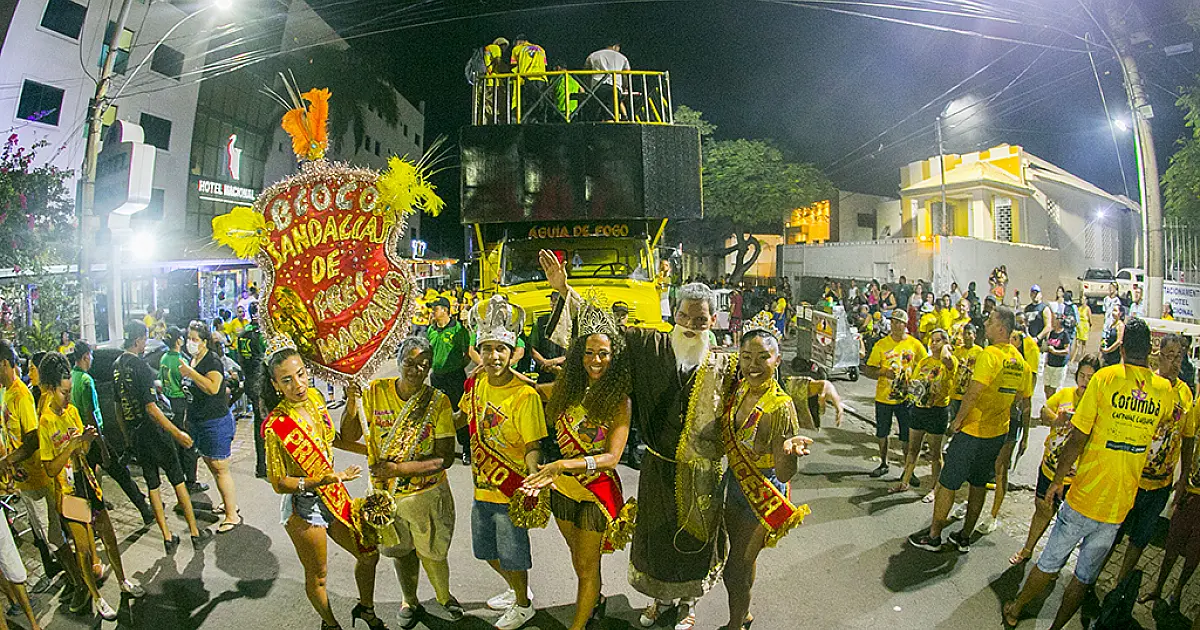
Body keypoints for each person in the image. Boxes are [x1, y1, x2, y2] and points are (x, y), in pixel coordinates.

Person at [540, 250, 729, 630]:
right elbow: (603, 331)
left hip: (703, 471)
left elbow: (762, 386)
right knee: (657, 535)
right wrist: (566, 291)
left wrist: (818, 387)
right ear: (673, 315)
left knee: (696, 535)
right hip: (658, 465)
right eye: (685, 316)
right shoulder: (648, 345)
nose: (692, 325)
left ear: (713, 320)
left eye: (701, 319)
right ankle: (660, 601)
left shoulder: (725, 362)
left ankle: (688, 602)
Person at [1003, 318, 1175, 630]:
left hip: (1084, 496)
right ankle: (1057, 627)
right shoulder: (1163, 391)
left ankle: (1015, 608)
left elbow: (1078, 438)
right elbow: (1161, 427)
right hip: (1118, 506)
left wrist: (1057, 480)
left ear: (1122, 349)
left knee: (1050, 562)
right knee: (1084, 576)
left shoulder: (1106, 379)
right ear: (1149, 351)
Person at [522, 304, 634, 630]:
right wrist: (493, 368)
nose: (595, 360)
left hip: (596, 491)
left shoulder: (619, 400)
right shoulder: (565, 390)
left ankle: (579, 625)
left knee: (587, 565)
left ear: (615, 356)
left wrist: (563, 463)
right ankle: (594, 600)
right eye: (588, 353)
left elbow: (612, 458)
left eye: (603, 353)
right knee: (579, 561)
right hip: (563, 489)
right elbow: (527, 391)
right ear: (578, 355)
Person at [341, 337, 462, 628]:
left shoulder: (438, 400)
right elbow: (347, 435)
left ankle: (444, 596)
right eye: (410, 362)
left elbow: (443, 458)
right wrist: (351, 399)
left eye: (424, 365)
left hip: (427, 493)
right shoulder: (374, 392)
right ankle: (410, 600)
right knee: (400, 551)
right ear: (398, 362)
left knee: (433, 553)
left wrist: (397, 468)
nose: (416, 370)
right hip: (387, 497)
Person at [262, 348, 387, 630]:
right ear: (275, 385)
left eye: (301, 375)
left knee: (369, 553)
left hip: (334, 492)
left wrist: (372, 449)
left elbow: (338, 439)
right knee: (318, 575)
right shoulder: (276, 427)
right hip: (304, 505)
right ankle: (330, 624)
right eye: (287, 380)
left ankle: (365, 608)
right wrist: (321, 481)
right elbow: (279, 483)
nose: (298, 385)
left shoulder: (317, 399)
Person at [711, 311, 814, 630]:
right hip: (734, 483)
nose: (753, 364)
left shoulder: (780, 407)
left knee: (735, 568)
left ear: (777, 359)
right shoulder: (739, 389)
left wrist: (790, 453)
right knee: (742, 558)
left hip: (762, 492)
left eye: (763, 357)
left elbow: (784, 474)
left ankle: (735, 624)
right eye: (746, 357)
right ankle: (744, 614)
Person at [908, 306, 1032, 553]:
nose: (985, 324)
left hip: (973, 431)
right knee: (978, 485)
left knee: (947, 484)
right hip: (997, 433)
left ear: (1001, 327)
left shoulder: (990, 354)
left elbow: (974, 391)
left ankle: (933, 537)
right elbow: (1023, 401)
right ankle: (964, 537)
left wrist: (958, 421)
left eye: (990, 321)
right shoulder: (1020, 362)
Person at [37, 352, 144, 620]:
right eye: (64, 392)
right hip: (68, 491)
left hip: (87, 481)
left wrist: (86, 440)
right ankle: (95, 597)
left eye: (70, 391)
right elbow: (49, 468)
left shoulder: (72, 411)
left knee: (108, 534)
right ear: (50, 389)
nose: (68, 397)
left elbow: (82, 450)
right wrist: (71, 446)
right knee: (83, 548)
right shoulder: (45, 422)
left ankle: (123, 581)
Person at [461, 295, 545, 630]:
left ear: (513, 353)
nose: (493, 356)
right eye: (487, 348)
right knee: (485, 551)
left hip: (509, 488)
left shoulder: (525, 395)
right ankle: (515, 589)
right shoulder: (477, 384)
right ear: (479, 352)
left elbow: (533, 445)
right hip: (481, 487)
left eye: (501, 349)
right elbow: (462, 417)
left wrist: (531, 477)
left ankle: (524, 604)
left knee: (513, 555)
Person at [114, 322, 211, 553]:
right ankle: (195, 533)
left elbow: (119, 409)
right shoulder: (141, 367)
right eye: (144, 339)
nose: (145, 343)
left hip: (136, 435)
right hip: (155, 434)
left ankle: (167, 538)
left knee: (153, 486)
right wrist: (178, 434)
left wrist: (128, 439)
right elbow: (151, 408)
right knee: (178, 481)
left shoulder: (116, 366)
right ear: (138, 340)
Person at [1108, 334, 1194, 584]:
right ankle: (1091, 578)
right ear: (1158, 355)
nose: (1175, 362)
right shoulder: (1147, 386)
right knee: (1114, 532)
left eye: (1180, 356)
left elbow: (1187, 439)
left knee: (1141, 538)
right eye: (1170, 356)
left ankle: (1120, 585)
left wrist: (1183, 478)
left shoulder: (1186, 394)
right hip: (1132, 478)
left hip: (1160, 485)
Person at [0, 340, 79, 596]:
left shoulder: (21, 395)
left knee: (54, 536)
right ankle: (74, 578)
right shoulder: (9, 393)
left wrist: (8, 461)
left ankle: (80, 582)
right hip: (26, 480)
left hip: (38, 478)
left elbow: (33, 438)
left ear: (4, 364)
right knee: (50, 536)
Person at [1010, 354, 1101, 565]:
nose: (1085, 381)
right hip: (1050, 467)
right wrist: (1057, 419)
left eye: (1090, 377)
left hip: (1075, 477)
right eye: (1082, 376)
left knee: (1068, 524)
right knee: (1042, 507)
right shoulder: (1066, 394)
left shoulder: (1098, 403)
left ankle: (1054, 563)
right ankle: (1027, 549)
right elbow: (1044, 411)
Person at [70, 341, 153, 524]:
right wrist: (103, 447)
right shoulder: (85, 380)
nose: (91, 359)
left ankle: (94, 520)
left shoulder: (72, 378)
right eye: (90, 356)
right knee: (121, 474)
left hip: (82, 439)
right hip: (94, 438)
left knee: (88, 483)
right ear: (85, 357)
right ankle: (145, 510)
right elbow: (91, 414)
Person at [180, 320, 241, 532]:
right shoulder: (194, 359)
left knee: (220, 468)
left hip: (215, 422)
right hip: (199, 422)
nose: (191, 342)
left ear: (204, 341)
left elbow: (213, 388)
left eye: (195, 339)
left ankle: (232, 515)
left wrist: (190, 373)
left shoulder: (212, 361)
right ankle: (228, 503)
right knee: (212, 466)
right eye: (189, 338)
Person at [864, 309, 927, 480]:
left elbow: (926, 364)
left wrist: (917, 381)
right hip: (883, 398)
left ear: (905, 325)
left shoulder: (915, 345)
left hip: (906, 399)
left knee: (907, 436)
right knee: (882, 432)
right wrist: (884, 372)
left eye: (898, 322)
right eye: (892, 321)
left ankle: (908, 470)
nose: (894, 325)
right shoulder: (881, 344)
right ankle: (883, 463)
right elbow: (868, 370)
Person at [891, 328, 956, 495]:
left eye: (938, 340)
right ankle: (904, 482)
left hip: (937, 411)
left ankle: (934, 489)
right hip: (920, 410)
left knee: (935, 454)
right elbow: (915, 383)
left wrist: (946, 348)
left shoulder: (949, 362)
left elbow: (946, 358)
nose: (933, 344)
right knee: (913, 450)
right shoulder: (924, 362)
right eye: (932, 340)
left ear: (945, 343)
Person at [426, 296, 472, 464]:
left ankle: (466, 448)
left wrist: (459, 366)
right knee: (438, 413)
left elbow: (468, 352)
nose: (432, 312)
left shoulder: (458, 330)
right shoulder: (430, 330)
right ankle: (442, 448)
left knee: (459, 413)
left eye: (435, 308)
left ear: (445, 310)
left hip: (455, 377)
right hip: (437, 377)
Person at [159, 326, 204, 492]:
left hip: (169, 404)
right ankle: (191, 481)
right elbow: (188, 385)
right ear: (178, 340)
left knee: (176, 442)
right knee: (188, 442)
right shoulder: (181, 361)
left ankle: (180, 477)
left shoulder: (164, 358)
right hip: (181, 404)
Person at [236, 305, 268, 477]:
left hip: (249, 380)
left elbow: (239, 357)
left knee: (259, 423)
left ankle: (261, 465)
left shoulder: (242, 335)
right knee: (266, 423)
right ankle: (267, 465)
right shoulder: (261, 335)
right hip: (261, 383)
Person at [584, 40, 631, 121]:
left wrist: (588, 87)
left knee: (595, 114)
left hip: (596, 88)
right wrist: (625, 87)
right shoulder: (622, 57)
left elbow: (586, 73)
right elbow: (625, 75)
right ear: (615, 46)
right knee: (610, 114)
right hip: (614, 87)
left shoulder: (593, 55)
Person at [509, 36, 548, 123]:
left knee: (528, 105)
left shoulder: (517, 49)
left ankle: (527, 126)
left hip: (528, 79)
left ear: (519, 41)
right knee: (540, 105)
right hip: (542, 79)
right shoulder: (541, 49)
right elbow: (544, 64)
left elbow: (514, 65)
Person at [1043, 314, 1071, 400]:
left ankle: (1052, 407)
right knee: (1046, 388)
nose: (1054, 321)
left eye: (1056, 319)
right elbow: (1048, 346)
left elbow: (1067, 350)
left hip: (1059, 366)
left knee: (1053, 389)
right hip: (1050, 364)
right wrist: (1046, 360)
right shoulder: (1052, 333)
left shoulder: (1064, 334)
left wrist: (1055, 352)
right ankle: (1049, 403)